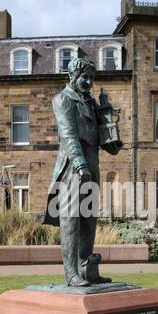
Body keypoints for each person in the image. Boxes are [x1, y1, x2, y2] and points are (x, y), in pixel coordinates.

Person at [43, 58, 122, 286]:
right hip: (72, 167)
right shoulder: (63, 100)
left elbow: (107, 141)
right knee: (71, 221)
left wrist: (106, 112)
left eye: (90, 78)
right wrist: (80, 165)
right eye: (83, 77)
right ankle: (71, 273)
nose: (88, 81)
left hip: (92, 164)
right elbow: (68, 136)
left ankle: (87, 270)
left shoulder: (90, 103)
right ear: (72, 77)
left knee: (89, 219)